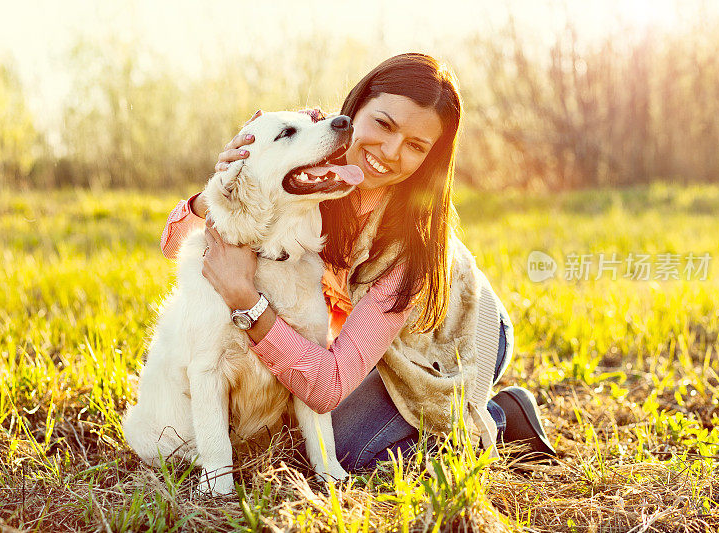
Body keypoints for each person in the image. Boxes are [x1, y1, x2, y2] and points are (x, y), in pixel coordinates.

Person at [160, 53, 556, 471]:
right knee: (300, 421)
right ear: (357, 104)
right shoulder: (310, 141)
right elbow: (172, 243)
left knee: (347, 448)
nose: (389, 152)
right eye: (383, 124)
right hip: (356, 324)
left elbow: (327, 387)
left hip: (456, 334)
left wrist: (245, 300)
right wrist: (224, 189)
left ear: (430, 158)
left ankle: (500, 418)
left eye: (416, 146)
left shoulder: (412, 253)